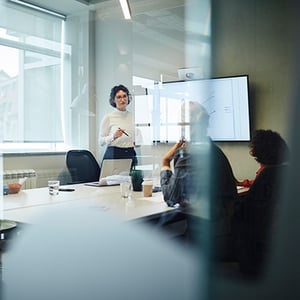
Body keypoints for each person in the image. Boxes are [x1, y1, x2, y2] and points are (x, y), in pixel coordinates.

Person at [160, 101, 238, 260]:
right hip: (226, 230)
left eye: (181, 121)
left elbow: (170, 197)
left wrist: (165, 163)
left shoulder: (190, 153)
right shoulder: (214, 149)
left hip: (206, 236)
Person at [99, 84, 137, 167]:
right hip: (114, 154)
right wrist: (113, 136)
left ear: (128, 98)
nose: (122, 100)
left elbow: (137, 139)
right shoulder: (108, 117)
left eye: (124, 96)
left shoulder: (134, 117)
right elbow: (101, 142)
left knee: (133, 179)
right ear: (113, 100)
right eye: (119, 97)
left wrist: (137, 141)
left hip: (130, 153)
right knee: (112, 180)